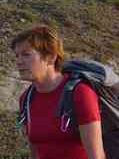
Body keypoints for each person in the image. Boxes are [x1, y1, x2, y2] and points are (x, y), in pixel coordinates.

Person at [11, 25, 106, 159]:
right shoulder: (26, 99)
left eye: (26, 54)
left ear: (51, 57)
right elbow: (35, 153)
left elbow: (96, 156)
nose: (19, 61)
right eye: (17, 55)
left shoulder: (80, 93)